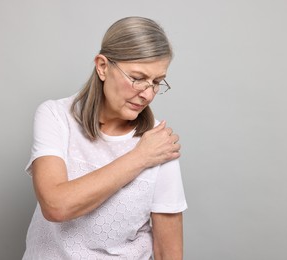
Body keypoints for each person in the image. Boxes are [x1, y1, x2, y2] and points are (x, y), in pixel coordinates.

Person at [23, 16, 187, 260]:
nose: (148, 94)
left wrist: (149, 152)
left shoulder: (159, 143)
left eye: (156, 82)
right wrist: (140, 157)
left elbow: (168, 253)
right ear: (102, 66)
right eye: (138, 78)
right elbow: (55, 205)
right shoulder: (55, 116)